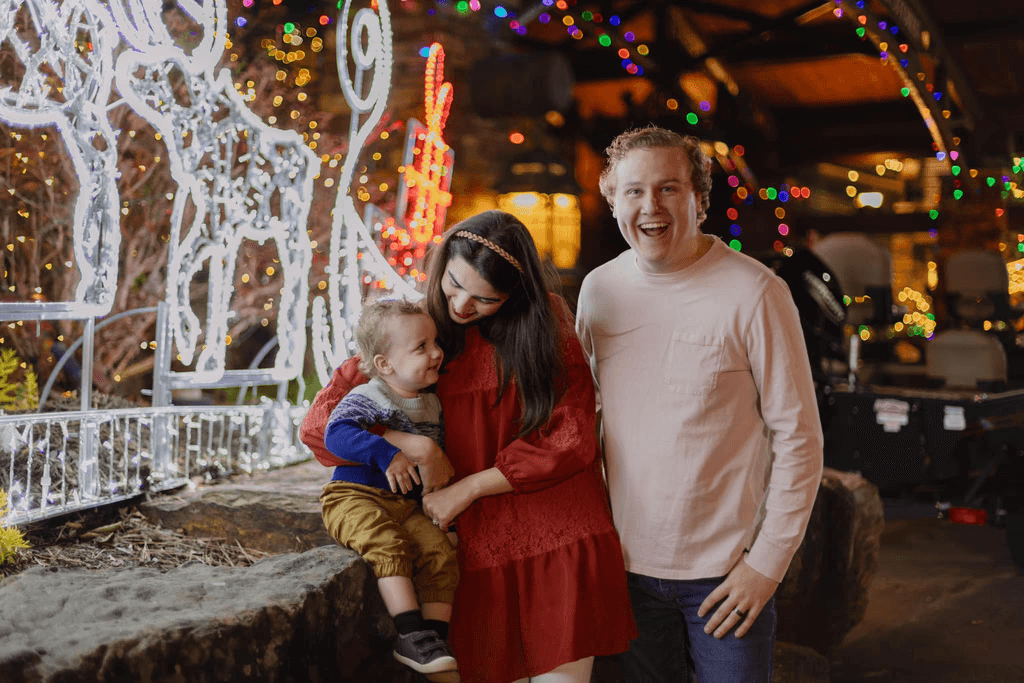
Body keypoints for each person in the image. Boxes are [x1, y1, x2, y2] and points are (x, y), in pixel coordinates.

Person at [302, 210, 637, 683]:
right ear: (442, 264)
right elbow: (320, 426)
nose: (460, 304)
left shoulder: (546, 325)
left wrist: (469, 487)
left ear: (514, 294)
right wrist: (412, 445)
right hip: (472, 552)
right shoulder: (409, 333)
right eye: (454, 284)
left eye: (485, 299)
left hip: (556, 536)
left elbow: (571, 436)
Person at [575, 126, 824, 682]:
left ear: (700, 201)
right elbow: (584, 424)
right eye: (634, 191)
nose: (651, 206)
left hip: (725, 576)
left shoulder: (755, 292)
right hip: (625, 572)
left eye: (669, 189)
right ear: (612, 200)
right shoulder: (598, 292)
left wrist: (766, 565)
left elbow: (800, 438)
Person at [319, 297, 460, 680]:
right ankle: (410, 633)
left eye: (435, 342)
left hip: (403, 504)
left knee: (439, 552)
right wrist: (386, 453)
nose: (436, 352)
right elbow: (337, 434)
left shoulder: (431, 404)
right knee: (387, 544)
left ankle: (435, 642)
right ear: (385, 364)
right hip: (354, 496)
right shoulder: (371, 395)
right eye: (421, 347)